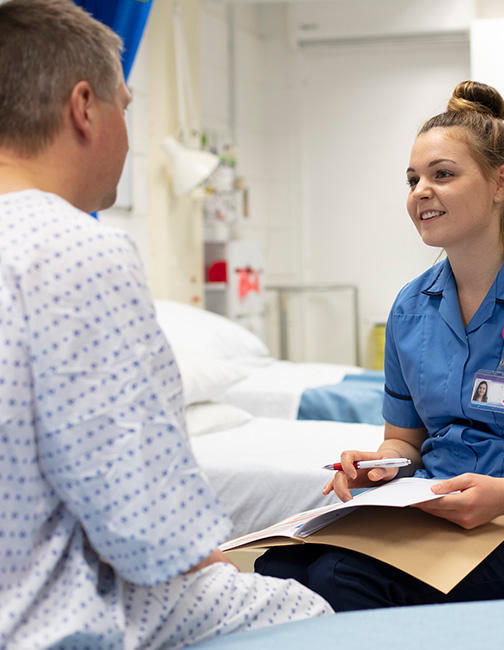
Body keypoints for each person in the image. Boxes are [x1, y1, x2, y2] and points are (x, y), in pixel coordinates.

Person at [0, 1, 331, 647]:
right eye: (125, 104)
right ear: (83, 107)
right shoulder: (76, 249)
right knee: (306, 612)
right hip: (37, 622)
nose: (128, 131)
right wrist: (205, 556)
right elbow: (149, 528)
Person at [255, 81, 504, 611]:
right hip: (439, 520)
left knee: (343, 580)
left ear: (500, 183)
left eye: (442, 175)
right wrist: (379, 467)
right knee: (280, 570)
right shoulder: (411, 308)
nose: (419, 192)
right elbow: (405, 444)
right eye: (413, 179)